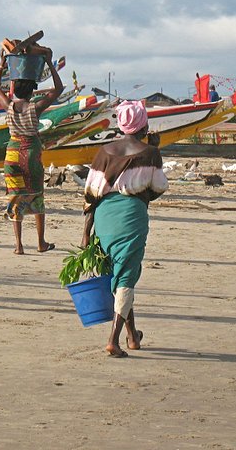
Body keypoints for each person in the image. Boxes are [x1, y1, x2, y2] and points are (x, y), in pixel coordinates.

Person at [81, 101, 168, 358]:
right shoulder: (150, 153)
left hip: (104, 216)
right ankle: (113, 340)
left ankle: (132, 335)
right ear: (144, 124)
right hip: (132, 214)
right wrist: (139, 195)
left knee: (117, 274)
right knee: (126, 276)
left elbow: (91, 194)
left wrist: (87, 231)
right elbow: (158, 187)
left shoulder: (105, 152)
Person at [0, 41, 64, 254]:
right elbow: (58, 89)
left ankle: (18, 245)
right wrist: (50, 63)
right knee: (36, 195)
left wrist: (1, 65)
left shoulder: (9, 106)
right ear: (31, 92)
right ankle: (41, 243)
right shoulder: (36, 107)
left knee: (16, 198)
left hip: (12, 155)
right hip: (31, 155)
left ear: (14, 90)